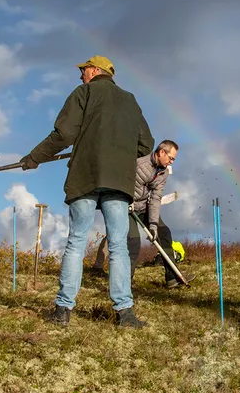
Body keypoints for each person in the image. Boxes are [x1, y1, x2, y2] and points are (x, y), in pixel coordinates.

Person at [19, 55, 155, 328]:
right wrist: (119, 153)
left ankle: (62, 311)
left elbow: (63, 134)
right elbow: (147, 143)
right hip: (118, 180)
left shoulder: (83, 93)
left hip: (85, 175)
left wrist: (35, 156)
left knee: (77, 241)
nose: (80, 76)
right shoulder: (130, 99)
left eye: (83, 71)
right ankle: (125, 313)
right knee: (118, 247)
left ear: (94, 71)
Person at [90, 141, 196, 288]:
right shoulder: (139, 165)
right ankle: (124, 284)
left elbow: (155, 198)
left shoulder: (163, 172)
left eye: (174, 160)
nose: (171, 162)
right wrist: (127, 201)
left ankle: (173, 277)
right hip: (125, 207)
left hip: (143, 206)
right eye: (171, 158)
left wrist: (153, 225)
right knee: (133, 242)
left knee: (163, 233)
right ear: (161, 152)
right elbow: (120, 183)